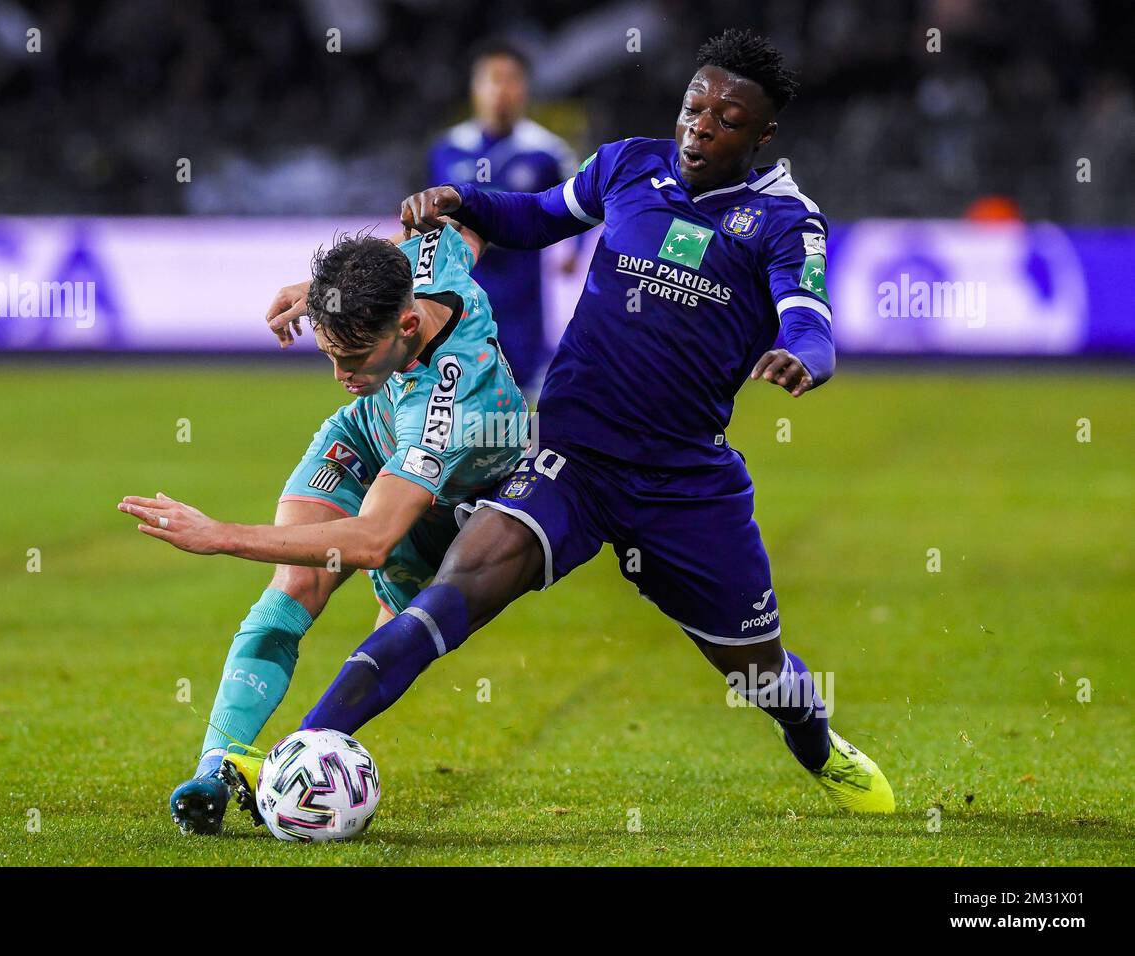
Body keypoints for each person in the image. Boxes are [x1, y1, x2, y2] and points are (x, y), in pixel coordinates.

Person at [268, 29, 894, 815]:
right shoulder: (630, 164)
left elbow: (809, 316)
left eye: (728, 120)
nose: (701, 127)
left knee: (757, 674)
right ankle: (297, 762)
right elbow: (534, 217)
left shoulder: (782, 220)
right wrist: (465, 202)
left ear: (763, 135)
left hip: (682, 483)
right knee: (454, 591)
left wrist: (804, 356)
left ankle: (819, 747)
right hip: (570, 454)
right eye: (694, 107)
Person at [118, 222, 528, 834]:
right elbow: (456, 233)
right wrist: (320, 291)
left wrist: (221, 535)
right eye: (329, 354)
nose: (340, 373)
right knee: (296, 586)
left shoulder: (449, 405)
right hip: (369, 435)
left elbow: (370, 541)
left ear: (407, 328)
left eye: (354, 358)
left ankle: (293, 761)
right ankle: (215, 767)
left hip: (454, 498)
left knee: (395, 643)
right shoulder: (428, 269)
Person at [426, 39, 583, 394]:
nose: (502, 90)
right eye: (492, 79)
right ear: (475, 88)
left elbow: (583, 202)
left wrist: (573, 250)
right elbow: (427, 210)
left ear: (525, 88)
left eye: (511, 79)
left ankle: (524, 449)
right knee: (461, 391)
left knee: (524, 390)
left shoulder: (548, 152)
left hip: (521, 292)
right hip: (462, 287)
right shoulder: (447, 149)